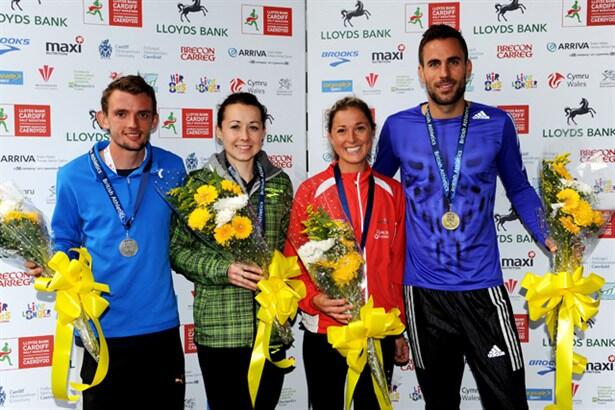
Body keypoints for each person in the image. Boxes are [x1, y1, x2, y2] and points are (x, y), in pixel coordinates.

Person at [373, 24, 556, 409]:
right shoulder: (397, 128)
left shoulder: (497, 123)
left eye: (453, 62)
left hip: (482, 288)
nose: (444, 73)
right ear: (421, 72)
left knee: (509, 401)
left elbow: (519, 188)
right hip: (423, 293)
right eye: (434, 64)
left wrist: (550, 235)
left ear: (468, 67)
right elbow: (375, 194)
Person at [28, 75, 186, 410]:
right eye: (121, 113)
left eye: (143, 114)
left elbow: (186, 238)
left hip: (159, 328)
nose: (133, 124)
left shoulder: (172, 168)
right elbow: (65, 240)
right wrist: (49, 262)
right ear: (102, 118)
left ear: (155, 120)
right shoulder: (73, 175)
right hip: (99, 329)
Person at [169, 92, 293, 410]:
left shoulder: (280, 184)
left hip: (270, 326)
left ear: (264, 132)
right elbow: (178, 252)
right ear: (219, 131)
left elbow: (288, 251)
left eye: (253, 127)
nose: (244, 136)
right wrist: (224, 270)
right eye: (235, 126)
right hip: (221, 330)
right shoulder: (198, 186)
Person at [285, 96, 409, 410]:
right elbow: (292, 262)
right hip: (326, 330)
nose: (351, 138)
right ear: (330, 136)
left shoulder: (392, 192)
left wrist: (398, 327)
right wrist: (313, 299)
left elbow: (398, 266)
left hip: (376, 329)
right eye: (341, 130)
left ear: (372, 132)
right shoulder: (311, 191)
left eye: (360, 128)